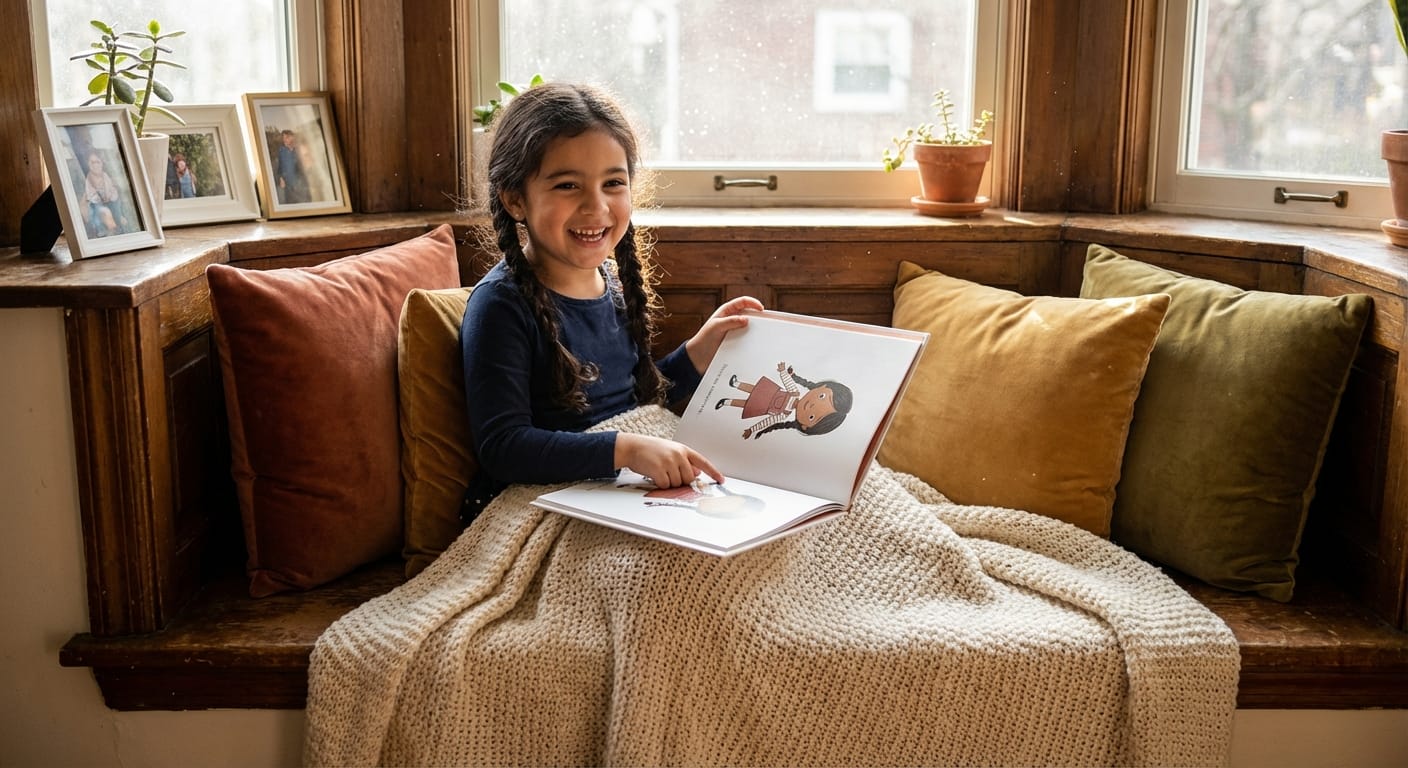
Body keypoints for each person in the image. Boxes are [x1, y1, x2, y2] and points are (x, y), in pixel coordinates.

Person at [459, 82, 763, 522]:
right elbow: (503, 447)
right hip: (542, 503)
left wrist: (699, 353)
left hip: (616, 491)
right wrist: (626, 449)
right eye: (567, 185)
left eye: (613, 183)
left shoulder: (610, 285)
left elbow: (635, 403)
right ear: (515, 199)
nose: (595, 206)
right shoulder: (500, 307)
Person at [714, 363, 853, 439]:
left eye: (812, 417)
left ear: (805, 426)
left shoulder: (783, 415)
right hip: (769, 391)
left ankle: (727, 402)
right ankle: (736, 384)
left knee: (746, 404)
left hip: (761, 406)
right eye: (821, 397)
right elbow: (788, 382)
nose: (811, 405)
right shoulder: (795, 392)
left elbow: (766, 422)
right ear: (822, 387)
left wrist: (751, 429)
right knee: (754, 389)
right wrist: (783, 372)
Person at [82, 151, 130, 237]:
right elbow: (91, 194)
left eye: (97, 162)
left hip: (108, 200)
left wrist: (110, 197)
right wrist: (100, 201)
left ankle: (119, 220)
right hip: (97, 203)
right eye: (92, 162)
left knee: (116, 204)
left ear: (102, 164)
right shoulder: (89, 178)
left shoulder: (105, 176)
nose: (95, 165)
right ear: (88, 164)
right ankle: (102, 230)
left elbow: (111, 189)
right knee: (100, 212)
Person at [275, 129, 310, 203]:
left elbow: (306, 168)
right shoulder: (281, 151)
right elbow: (279, 167)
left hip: (300, 187)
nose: (284, 140)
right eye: (283, 138)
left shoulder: (300, 150)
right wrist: (280, 178)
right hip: (287, 188)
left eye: (287, 137)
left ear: (292, 137)